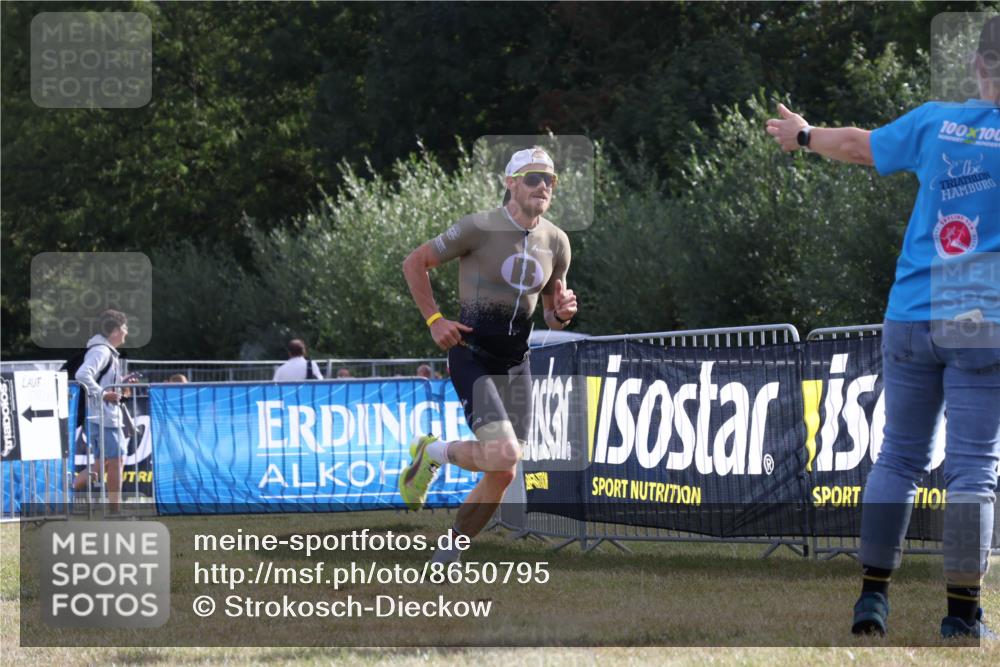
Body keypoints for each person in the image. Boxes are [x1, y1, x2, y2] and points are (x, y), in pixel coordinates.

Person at [766, 15, 999, 639]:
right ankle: (961, 615)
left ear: (979, 66)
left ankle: (872, 599)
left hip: (911, 309)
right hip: (981, 315)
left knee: (897, 456)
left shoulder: (933, 122)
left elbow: (858, 146)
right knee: (972, 470)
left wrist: (803, 133)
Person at [400, 146, 578, 564]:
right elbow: (415, 263)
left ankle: (450, 542)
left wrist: (564, 313)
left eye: (549, 180)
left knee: (504, 471)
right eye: (533, 178)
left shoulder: (557, 241)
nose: (543, 187)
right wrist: (435, 320)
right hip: (472, 354)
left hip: (517, 363)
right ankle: (435, 455)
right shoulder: (478, 228)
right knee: (505, 455)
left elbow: (553, 315)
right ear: (510, 183)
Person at [73, 309, 130, 512]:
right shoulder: (102, 351)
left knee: (101, 464)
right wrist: (104, 394)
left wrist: (121, 382)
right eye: (124, 327)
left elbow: (97, 379)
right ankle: (115, 509)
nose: (126, 332)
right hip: (104, 417)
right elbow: (82, 375)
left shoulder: (102, 350)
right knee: (117, 461)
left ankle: (66, 490)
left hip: (100, 416)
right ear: (114, 330)